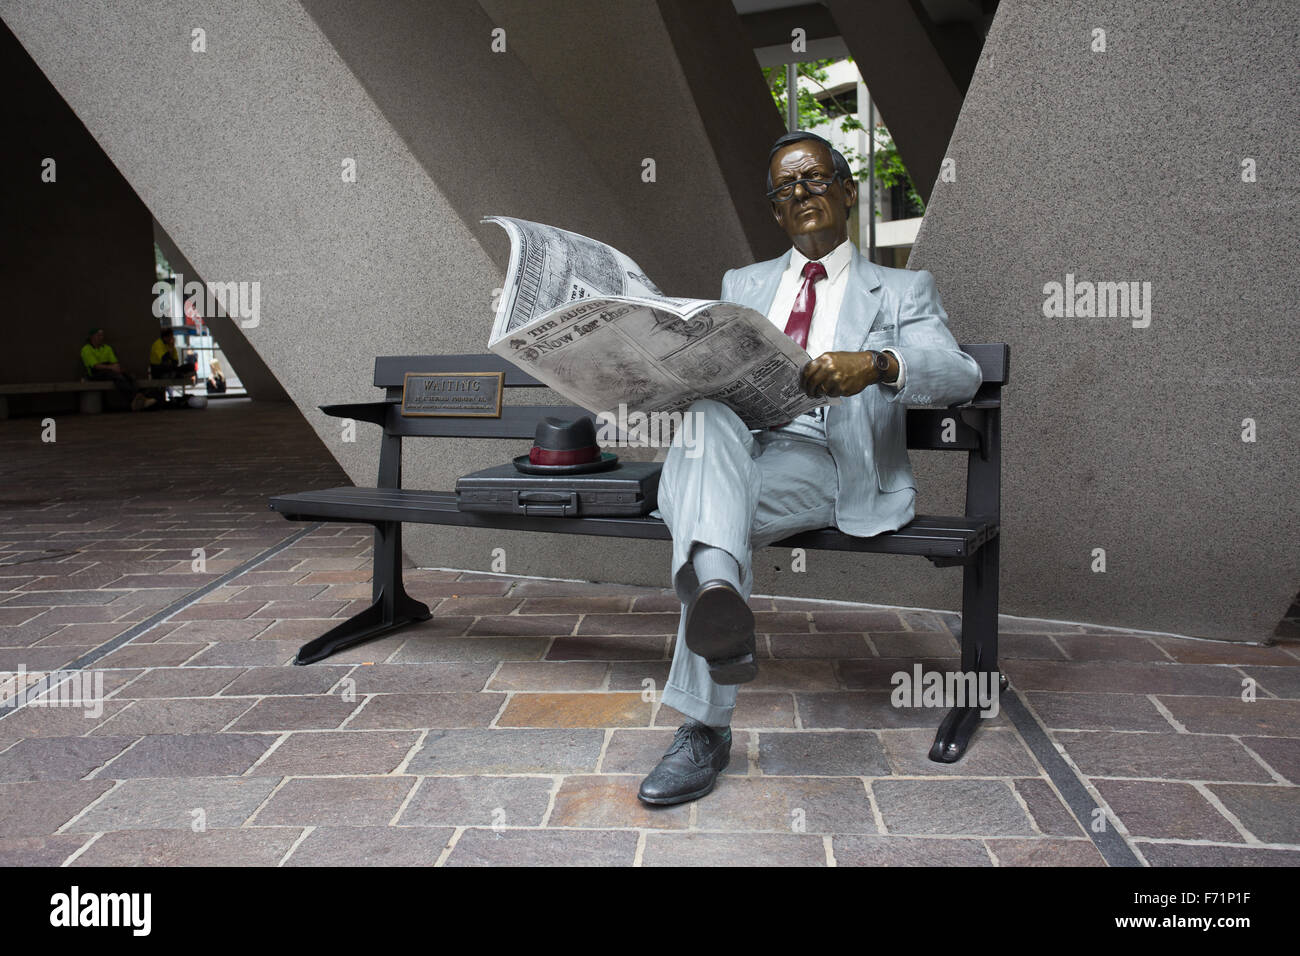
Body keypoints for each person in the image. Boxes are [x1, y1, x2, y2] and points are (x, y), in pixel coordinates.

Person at [637, 131, 983, 806]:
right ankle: (718, 595)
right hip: (739, 450)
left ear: (848, 191)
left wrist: (878, 364)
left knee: (704, 512)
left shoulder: (902, 288)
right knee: (705, 419)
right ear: (774, 212)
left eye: (816, 179)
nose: (802, 194)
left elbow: (959, 373)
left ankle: (705, 723)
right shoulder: (744, 283)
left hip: (830, 461)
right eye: (786, 188)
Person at [80, 328, 154, 411]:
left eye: (102, 335)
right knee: (117, 377)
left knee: (129, 376)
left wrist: (117, 368)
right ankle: (135, 400)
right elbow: (95, 366)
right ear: (92, 337)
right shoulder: (86, 349)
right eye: (99, 335)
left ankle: (139, 399)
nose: (101, 337)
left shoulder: (107, 348)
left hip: (109, 370)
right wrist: (111, 368)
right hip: (95, 374)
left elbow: (114, 362)